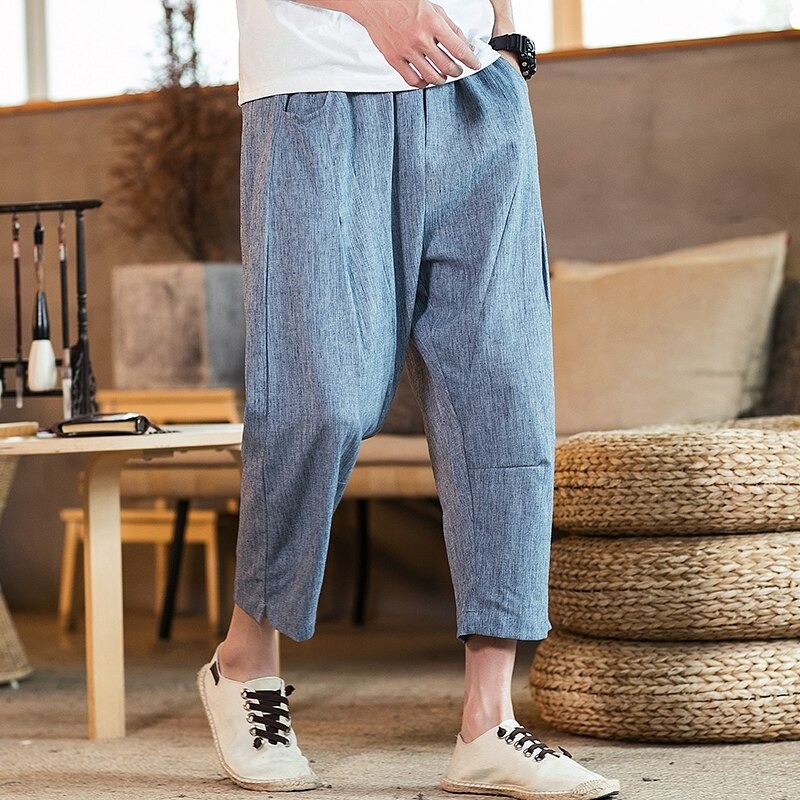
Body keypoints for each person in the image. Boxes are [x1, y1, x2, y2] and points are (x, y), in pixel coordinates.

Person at [197, 2, 620, 798]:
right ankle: (244, 662)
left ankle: (488, 722)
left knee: (503, 401)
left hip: (475, 90)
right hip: (317, 92)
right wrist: (380, 10)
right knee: (320, 400)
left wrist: (506, 40)